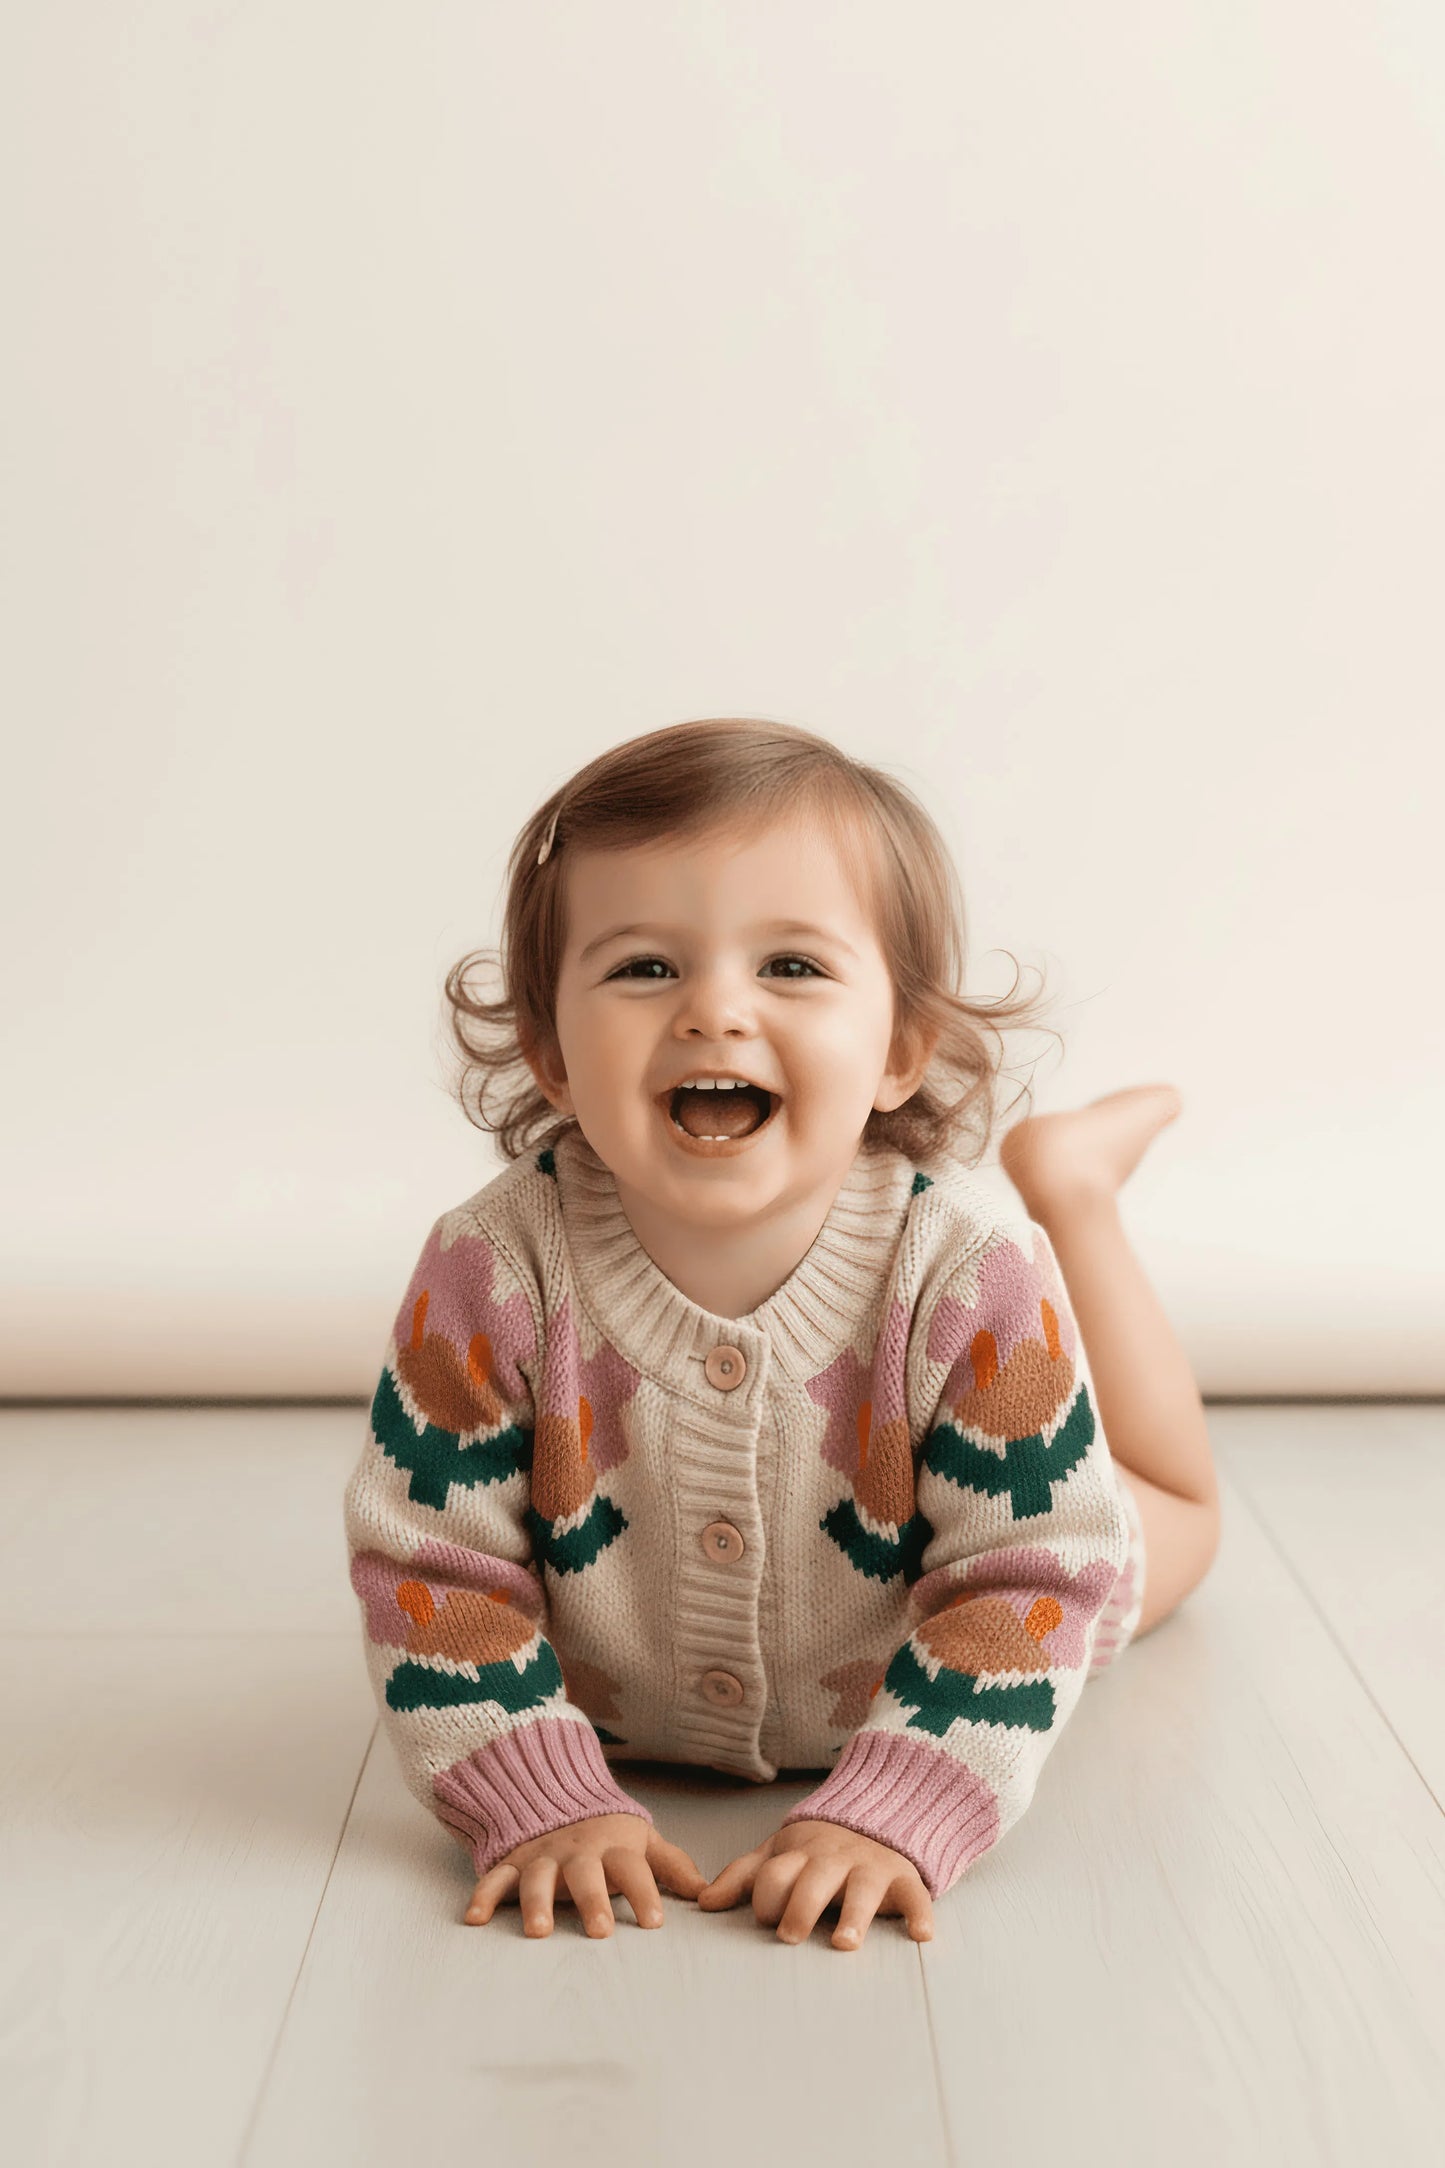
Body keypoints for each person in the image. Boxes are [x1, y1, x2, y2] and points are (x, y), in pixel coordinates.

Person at [343, 716, 1221, 1954]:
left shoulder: (964, 1265)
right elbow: (432, 1565)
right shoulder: (491, 1267)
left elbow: (1030, 1573)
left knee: (1176, 1509)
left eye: (792, 968)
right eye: (644, 966)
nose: (714, 1010)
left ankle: (1071, 1188)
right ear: (546, 1047)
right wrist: (533, 1799)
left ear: (901, 1047)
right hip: (628, 1688)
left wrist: (896, 1806)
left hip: (991, 1555)